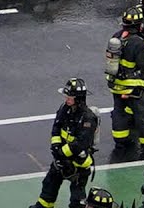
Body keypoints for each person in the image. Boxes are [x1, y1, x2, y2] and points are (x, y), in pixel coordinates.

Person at [30, 78, 97, 208]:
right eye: (66, 96)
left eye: (69, 97)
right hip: (61, 159)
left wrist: (62, 153)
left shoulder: (88, 118)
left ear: (78, 99)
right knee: (49, 184)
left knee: (77, 198)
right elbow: (56, 127)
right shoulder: (64, 108)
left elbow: (80, 144)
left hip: (79, 165)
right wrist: (56, 148)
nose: (66, 99)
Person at [109, 6, 144, 152]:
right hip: (132, 86)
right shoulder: (137, 42)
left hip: (116, 84)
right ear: (139, 24)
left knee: (119, 112)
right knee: (143, 115)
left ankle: (121, 139)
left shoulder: (117, 37)